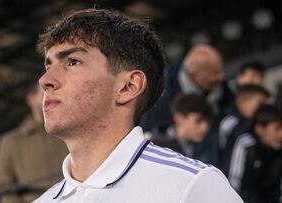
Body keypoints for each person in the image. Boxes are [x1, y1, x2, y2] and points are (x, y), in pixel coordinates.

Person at [33, 8, 242, 202]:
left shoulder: (191, 187)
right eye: (48, 64)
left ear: (128, 86)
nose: (45, 80)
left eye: (72, 62)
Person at [0, 83, 68, 203]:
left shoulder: (70, 131)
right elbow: (4, 187)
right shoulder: (11, 142)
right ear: (31, 100)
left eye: (54, 91)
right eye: (45, 92)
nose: (52, 96)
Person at [139, 43, 233, 132]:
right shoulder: (161, 91)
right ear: (193, 74)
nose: (221, 77)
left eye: (220, 70)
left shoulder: (219, 85)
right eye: (213, 72)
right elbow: (151, 132)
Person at [227, 104, 282, 202]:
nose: (281, 134)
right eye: (277, 128)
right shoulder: (246, 144)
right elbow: (234, 182)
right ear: (259, 129)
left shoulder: (277, 150)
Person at [217, 84, 270, 172]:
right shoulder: (230, 124)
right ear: (242, 101)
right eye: (260, 104)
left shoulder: (249, 123)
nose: (263, 109)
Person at [145, 93, 212, 158]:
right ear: (179, 118)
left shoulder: (209, 145)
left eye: (207, 122)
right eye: (198, 121)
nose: (205, 127)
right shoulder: (153, 145)